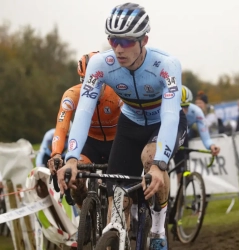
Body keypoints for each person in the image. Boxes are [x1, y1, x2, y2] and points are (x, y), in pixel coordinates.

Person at [57, 3, 187, 249]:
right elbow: (83, 111)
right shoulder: (100, 64)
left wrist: (159, 165)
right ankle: (117, 233)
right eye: (113, 40)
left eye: (126, 41)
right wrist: (71, 158)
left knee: (150, 157)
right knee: (117, 195)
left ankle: (158, 231)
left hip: (164, 121)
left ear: (144, 39)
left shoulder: (167, 65)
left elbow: (170, 116)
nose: (118, 48)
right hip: (130, 122)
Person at [48, 51, 122, 207]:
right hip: (89, 143)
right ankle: (86, 224)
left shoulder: (118, 93)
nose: (91, 87)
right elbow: (61, 127)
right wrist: (56, 154)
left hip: (117, 142)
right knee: (77, 183)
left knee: (120, 189)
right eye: (86, 82)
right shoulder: (72, 95)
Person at [174, 86, 220, 183]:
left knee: (182, 170)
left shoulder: (196, 112)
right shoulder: (168, 110)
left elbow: (204, 133)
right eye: (181, 107)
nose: (184, 111)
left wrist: (211, 146)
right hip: (169, 134)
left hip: (183, 134)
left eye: (186, 106)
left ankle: (181, 191)